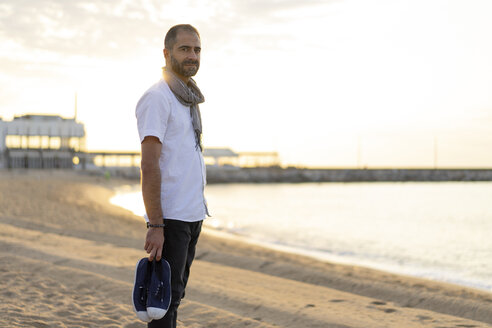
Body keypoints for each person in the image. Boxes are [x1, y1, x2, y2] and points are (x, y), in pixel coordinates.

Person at [135, 24, 209, 328]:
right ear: (167, 54)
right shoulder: (158, 97)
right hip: (171, 217)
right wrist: (155, 224)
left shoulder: (187, 98)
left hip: (192, 215)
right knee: (162, 302)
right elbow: (149, 165)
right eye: (184, 49)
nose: (192, 55)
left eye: (197, 49)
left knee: (174, 297)